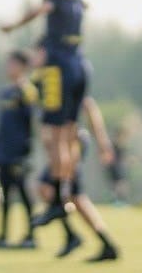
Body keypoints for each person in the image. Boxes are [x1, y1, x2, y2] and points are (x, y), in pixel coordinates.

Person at [0, 0, 88, 227]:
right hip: (80, 66)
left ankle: (58, 200)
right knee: (68, 134)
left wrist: (14, 25)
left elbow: (43, 8)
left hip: (58, 71)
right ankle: (64, 193)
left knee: (55, 137)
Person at [34, 96, 120, 262]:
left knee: (61, 193)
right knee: (66, 195)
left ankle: (78, 237)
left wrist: (103, 143)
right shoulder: (42, 83)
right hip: (61, 150)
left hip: (72, 146)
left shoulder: (65, 76)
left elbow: (89, 106)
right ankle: (98, 242)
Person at [0, 49, 38, 250]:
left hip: (18, 154)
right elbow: (1, 127)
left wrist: (25, 153)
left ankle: (31, 235)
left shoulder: (27, 92)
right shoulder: (4, 93)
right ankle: (3, 235)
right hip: (3, 153)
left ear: (22, 67)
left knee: (23, 194)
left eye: (12, 64)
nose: (8, 68)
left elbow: (32, 125)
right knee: (3, 194)